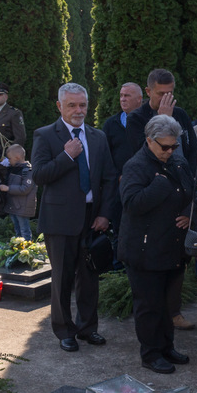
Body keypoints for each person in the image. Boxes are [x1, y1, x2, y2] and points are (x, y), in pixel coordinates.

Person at [32, 83, 117, 352]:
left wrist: (105, 214)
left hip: (93, 218)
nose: (78, 110)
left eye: (82, 105)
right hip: (60, 219)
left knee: (90, 277)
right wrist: (67, 156)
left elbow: (110, 178)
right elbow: (39, 175)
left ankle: (87, 328)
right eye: (72, 105)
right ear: (60, 106)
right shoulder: (45, 135)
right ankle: (64, 330)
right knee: (62, 278)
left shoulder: (98, 136)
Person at [118, 115, 192, 374]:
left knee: (167, 303)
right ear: (149, 141)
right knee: (149, 305)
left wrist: (189, 213)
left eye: (174, 146)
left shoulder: (177, 162)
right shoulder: (136, 166)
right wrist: (159, 185)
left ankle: (166, 347)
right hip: (144, 249)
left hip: (172, 246)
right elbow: (131, 204)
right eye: (165, 147)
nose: (170, 151)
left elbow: (192, 191)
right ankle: (150, 354)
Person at [126, 69, 197, 171]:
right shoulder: (136, 118)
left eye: (169, 93)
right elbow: (141, 150)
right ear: (148, 92)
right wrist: (163, 120)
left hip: (182, 173)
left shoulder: (180, 114)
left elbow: (193, 148)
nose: (165, 98)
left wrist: (189, 174)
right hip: (154, 175)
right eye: (161, 94)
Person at [102, 82, 144, 236]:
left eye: (127, 95)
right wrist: (118, 177)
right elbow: (105, 156)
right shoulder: (111, 124)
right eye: (121, 95)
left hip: (145, 186)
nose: (122, 99)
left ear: (139, 99)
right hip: (119, 188)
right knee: (120, 232)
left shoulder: (150, 121)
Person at [0, 144, 37, 240]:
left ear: (17, 157)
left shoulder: (28, 171)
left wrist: (8, 188)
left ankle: (27, 248)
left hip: (22, 207)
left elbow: (25, 189)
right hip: (14, 205)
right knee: (17, 230)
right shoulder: (13, 169)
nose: (9, 161)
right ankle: (19, 247)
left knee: (24, 230)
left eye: (9, 158)